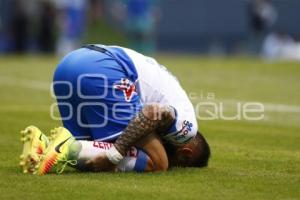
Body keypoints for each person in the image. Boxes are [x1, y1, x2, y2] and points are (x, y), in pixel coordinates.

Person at [19, 44, 210, 174]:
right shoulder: (186, 129)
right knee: (159, 163)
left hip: (69, 64)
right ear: (186, 154)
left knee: (88, 150)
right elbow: (151, 113)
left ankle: (42, 144)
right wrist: (115, 154)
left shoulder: (177, 99)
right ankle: (64, 147)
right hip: (103, 70)